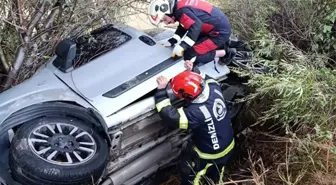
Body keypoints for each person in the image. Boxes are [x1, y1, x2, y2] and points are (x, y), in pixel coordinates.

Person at [154, 62, 235, 185]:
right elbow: (206, 78)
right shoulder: (213, 87)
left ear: (185, 95)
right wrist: (194, 71)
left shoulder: (196, 113)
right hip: (228, 144)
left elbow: (171, 116)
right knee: (217, 172)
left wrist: (161, 91)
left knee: (193, 175)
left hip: (211, 154)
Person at [147, 0, 236, 68]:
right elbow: (184, 24)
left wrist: (183, 45)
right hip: (214, 27)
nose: (166, 23)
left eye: (164, 19)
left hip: (219, 33)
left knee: (189, 54)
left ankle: (224, 53)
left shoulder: (181, 12)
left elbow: (195, 26)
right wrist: (172, 41)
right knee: (191, 44)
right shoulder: (179, 7)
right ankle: (222, 45)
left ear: (168, 12)